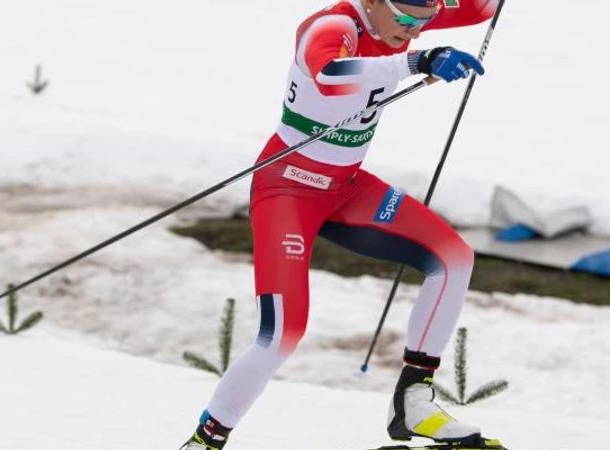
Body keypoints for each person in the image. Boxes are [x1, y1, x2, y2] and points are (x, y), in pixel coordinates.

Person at [180, 1, 499, 449]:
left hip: (346, 188)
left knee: (454, 259)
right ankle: (205, 440)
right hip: (288, 189)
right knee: (282, 335)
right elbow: (331, 74)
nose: (416, 29)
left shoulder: (403, 13)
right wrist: (418, 60)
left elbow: (478, 8)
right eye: (407, 21)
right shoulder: (333, 26)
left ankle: (413, 400)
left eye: (424, 21)